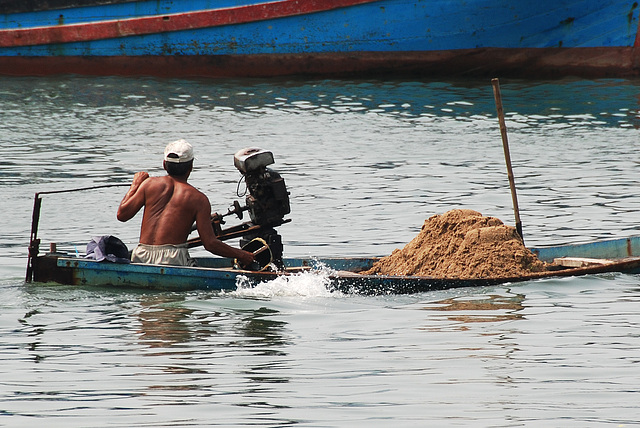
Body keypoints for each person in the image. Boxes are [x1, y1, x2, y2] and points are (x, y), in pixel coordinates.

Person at [117, 139, 254, 267]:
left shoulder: (148, 184)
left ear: (164, 164)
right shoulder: (199, 199)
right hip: (173, 259)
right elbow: (210, 243)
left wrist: (135, 184)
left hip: (141, 255)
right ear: (191, 166)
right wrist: (242, 255)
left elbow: (122, 215)